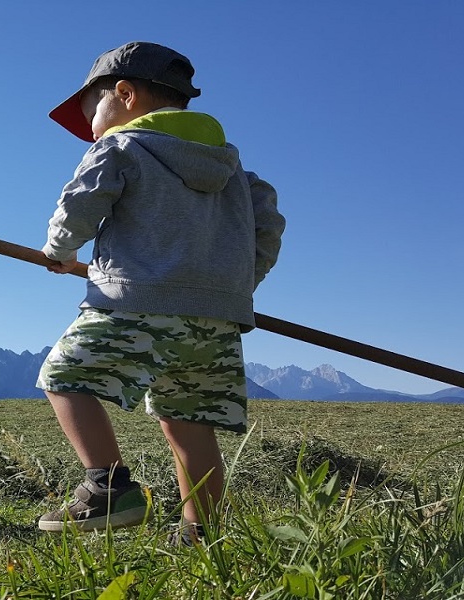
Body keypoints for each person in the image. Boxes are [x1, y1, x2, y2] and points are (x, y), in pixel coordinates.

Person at [34, 41, 286, 542]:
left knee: (64, 376)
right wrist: (234, 287)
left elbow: (82, 200)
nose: (90, 128)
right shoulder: (234, 170)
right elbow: (268, 225)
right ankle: (202, 535)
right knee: (188, 421)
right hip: (216, 319)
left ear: (124, 94)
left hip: (138, 301)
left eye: (93, 112)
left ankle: (107, 487)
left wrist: (58, 249)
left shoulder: (120, 147)